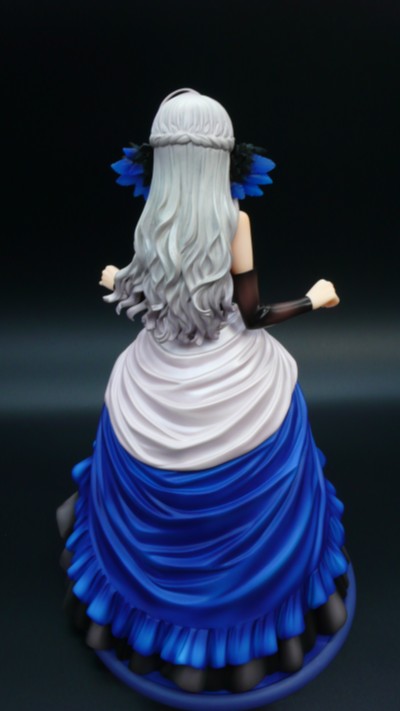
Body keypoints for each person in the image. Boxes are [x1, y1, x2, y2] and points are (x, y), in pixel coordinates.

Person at [57, 89, 350, 695]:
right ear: (222, 158)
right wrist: (314, 300)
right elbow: (254, 316)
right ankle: (247, 632)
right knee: (278, 414)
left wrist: (118, 279)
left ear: (160, 159)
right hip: (230, 375)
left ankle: (155, 621)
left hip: (158, 375)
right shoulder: (234, 221)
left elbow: (148, 295)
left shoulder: (153, 219)